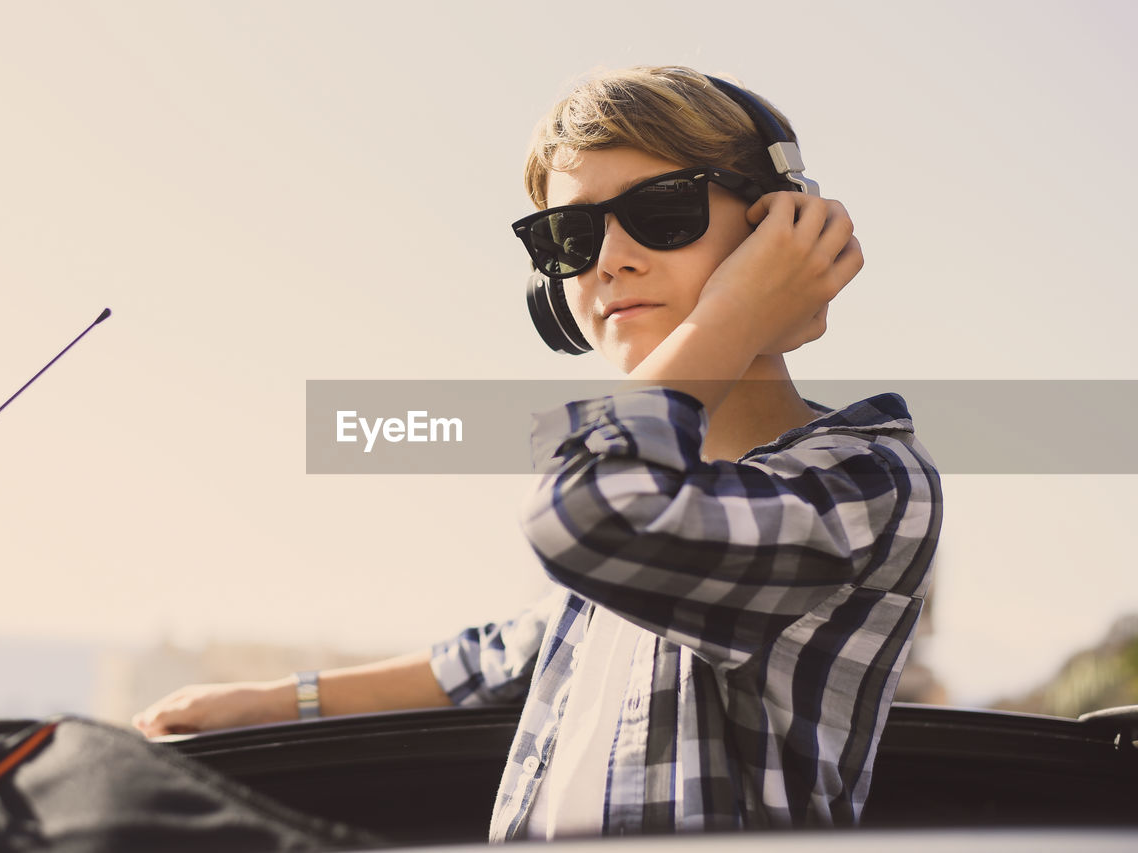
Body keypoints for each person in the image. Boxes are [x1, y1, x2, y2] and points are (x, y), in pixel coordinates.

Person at [133, 65, 942, 840]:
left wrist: (735, 312)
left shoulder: (867, 481)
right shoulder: (658, 504)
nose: (611, 260)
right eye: (572, 235)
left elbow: (591, 509)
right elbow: (493, 656)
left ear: (778, 228)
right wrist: (272, 701)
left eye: (664, 214)